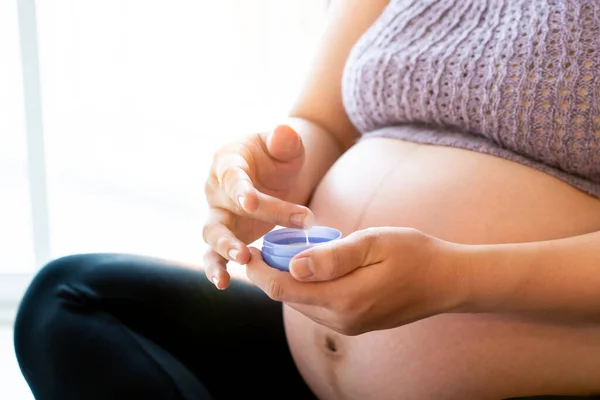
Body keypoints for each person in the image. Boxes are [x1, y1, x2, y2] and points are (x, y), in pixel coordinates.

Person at [12, 0, 600, 398]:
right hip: (308, 362)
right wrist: (268, 177)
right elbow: (321, 123)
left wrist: (454, 279)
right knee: (68, 304)